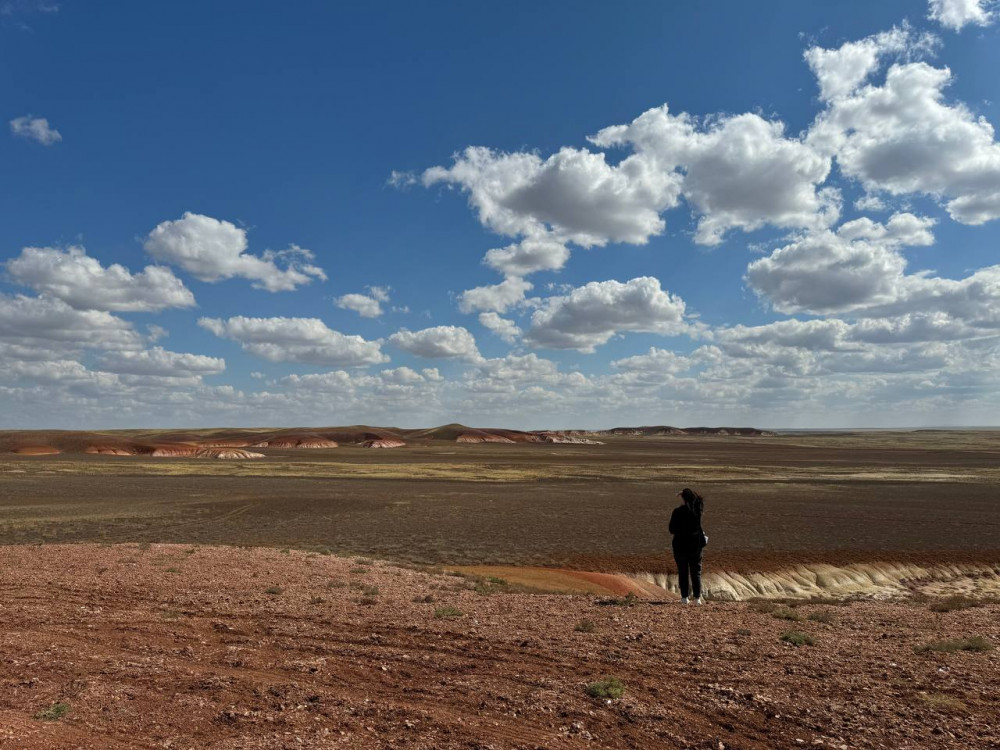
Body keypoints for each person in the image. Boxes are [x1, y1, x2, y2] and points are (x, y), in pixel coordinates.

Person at [669, 487, 707, 604]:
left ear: (683, 499)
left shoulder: (677, 512)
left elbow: (671, 529)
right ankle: (697, 598)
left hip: (680, 546)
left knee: (683, 571)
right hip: (695, 546)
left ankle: (684, 597)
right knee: (696, 572)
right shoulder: (697, 512)